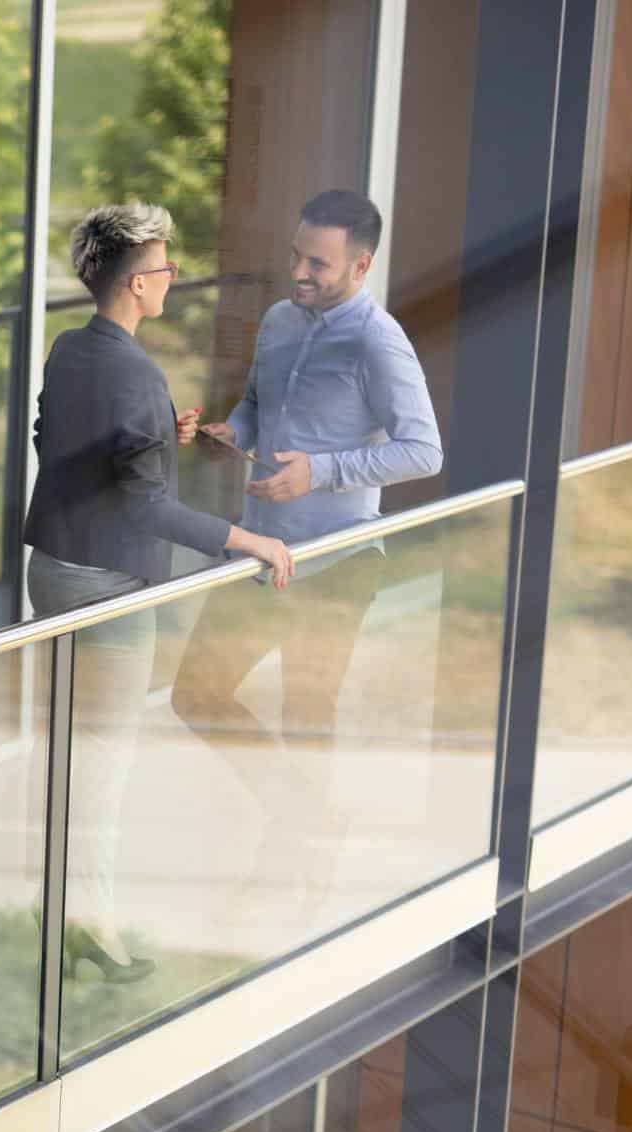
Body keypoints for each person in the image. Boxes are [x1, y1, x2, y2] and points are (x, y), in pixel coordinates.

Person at [24, 203, 293, 980]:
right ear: (139, 284)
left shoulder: (71, 349)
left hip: (55, 571)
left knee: (69, 751)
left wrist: (150, 437)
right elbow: (146, 506)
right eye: (167, 269)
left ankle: (63, 910)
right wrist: (249, 539)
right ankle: (92, 928)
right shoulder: (137, 374)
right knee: (102, 765)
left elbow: (56, 438)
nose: (173, 278)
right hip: (109, 587)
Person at [173, 189, 442, 897]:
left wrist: (321, 472)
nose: (299, 271)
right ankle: (310, 818)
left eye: (317, 263)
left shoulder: (379, 343)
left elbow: (424, 450)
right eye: (296, 255)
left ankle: (291, 860)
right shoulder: (279, 321)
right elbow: (262, 403)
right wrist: (238, 430)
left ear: (361, 265)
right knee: (195, 693)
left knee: (307, 713)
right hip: (262, 552)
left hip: (340, 560)